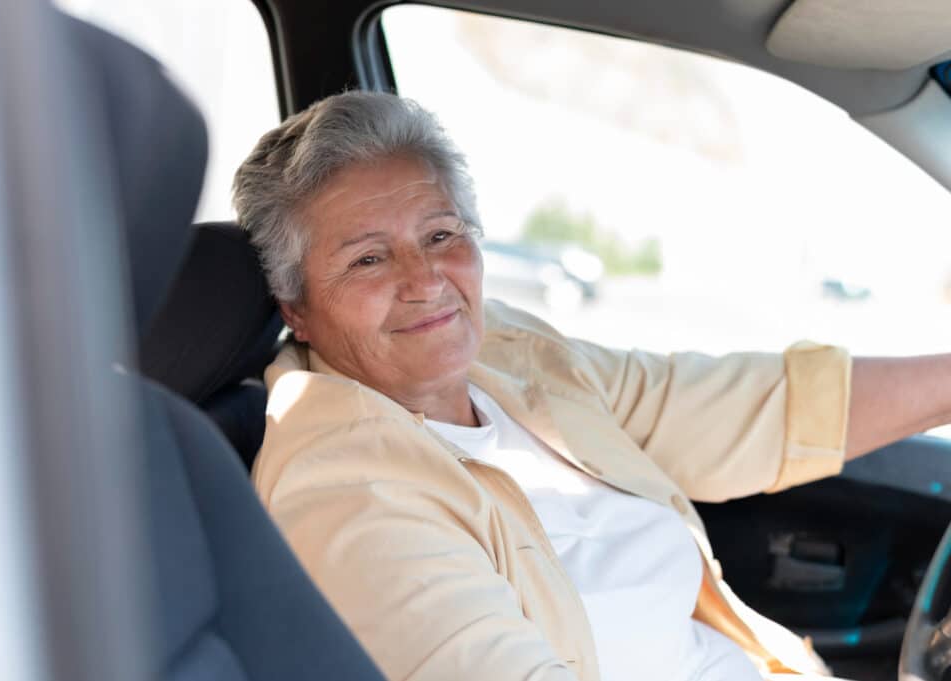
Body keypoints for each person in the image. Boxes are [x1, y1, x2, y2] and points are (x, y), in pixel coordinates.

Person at [232, 91, 951, 681]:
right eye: (367, 259)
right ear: (296, 307)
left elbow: (739, 407)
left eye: (442, 235)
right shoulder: (344, 491)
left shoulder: (506, 354)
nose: (426, 280)